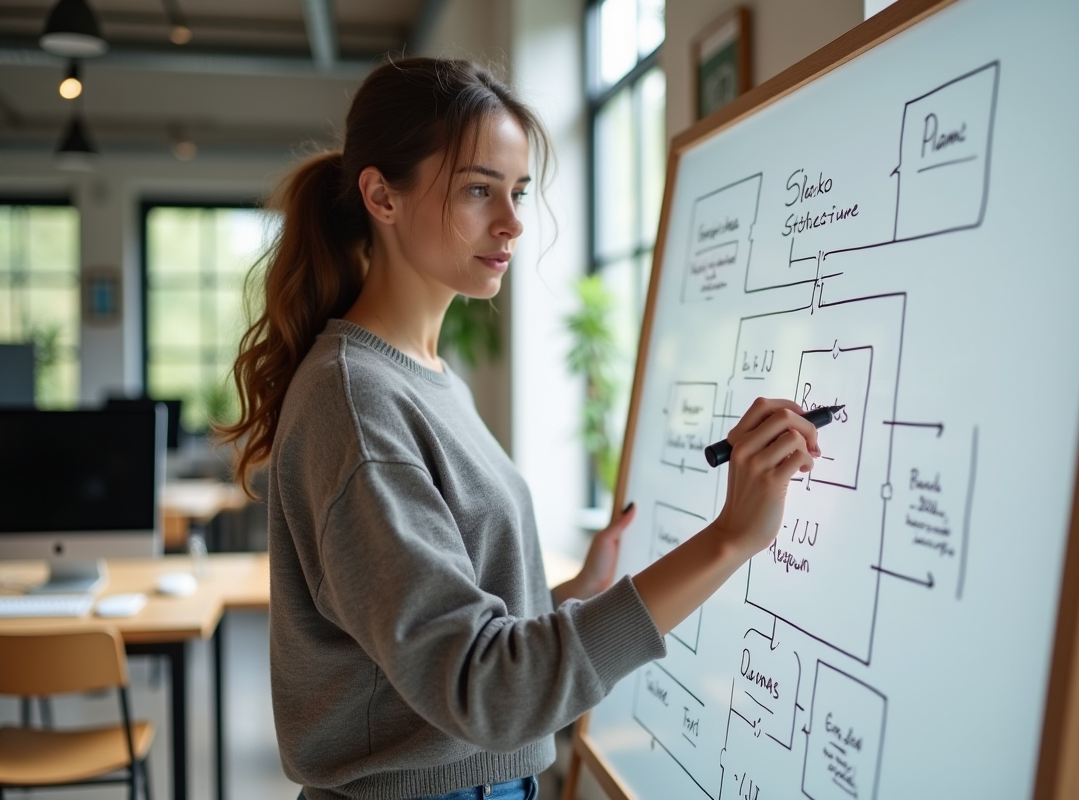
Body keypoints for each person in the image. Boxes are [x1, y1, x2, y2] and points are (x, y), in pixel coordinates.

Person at [219, 57, 822, 800]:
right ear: (382, 195)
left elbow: (433, 637)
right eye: (478, 189)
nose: (512, 222)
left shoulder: (428, 378)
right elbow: (484, 689)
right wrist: (731, 537)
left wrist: (571, 593)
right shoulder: (358, 405)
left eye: (518, 191)